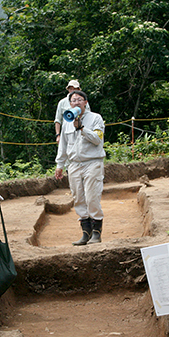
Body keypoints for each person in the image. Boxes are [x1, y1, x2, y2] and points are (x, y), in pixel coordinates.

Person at [55, 90, 105, 245]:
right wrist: (60, 165)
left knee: (92, 196)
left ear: (86, 102)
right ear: (69, 104)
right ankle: (86, 233)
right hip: (74, 165)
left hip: (92, 162)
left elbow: (97, 140)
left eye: (79, 100)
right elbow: (63, 145)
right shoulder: (67, 122)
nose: (76, 102)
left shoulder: (95, 118)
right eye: (73, 100)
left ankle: (96, 234)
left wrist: (82, 128)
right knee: (78, 198)